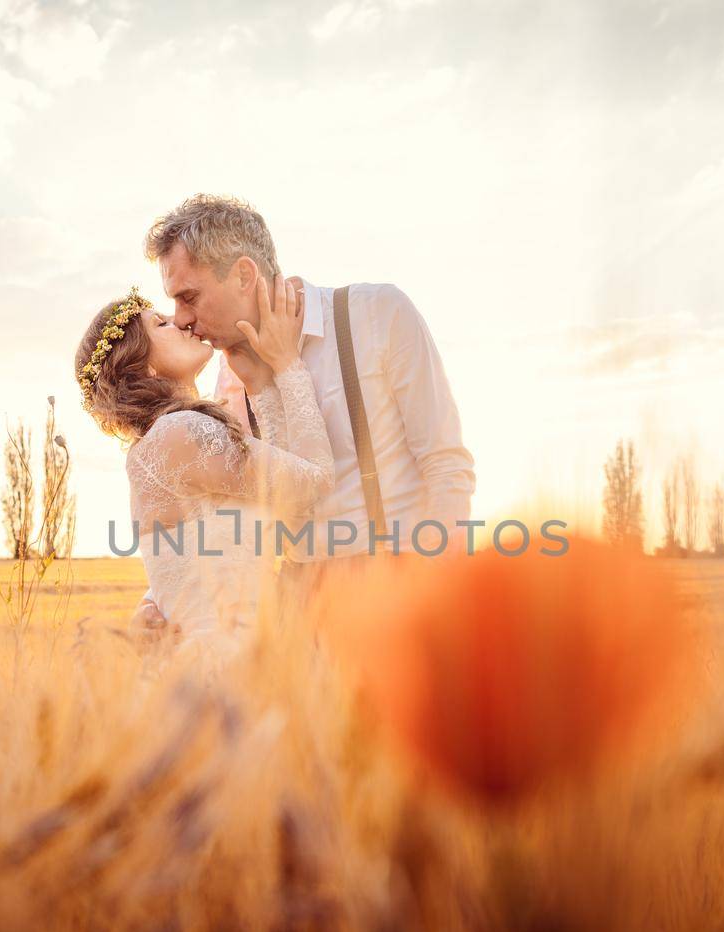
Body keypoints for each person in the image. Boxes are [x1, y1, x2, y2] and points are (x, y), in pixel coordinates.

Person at [130, 194, 476, 641]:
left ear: (243, 275)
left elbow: (446, 463)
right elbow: (217, 508)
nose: (181, 319)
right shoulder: (230, 373)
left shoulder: (377, 314)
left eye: (189, 296)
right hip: (296, 607)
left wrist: (441, 593)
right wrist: (155, 599)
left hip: (399, 584)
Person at [76, 276, 332, 648]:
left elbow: (194, 555)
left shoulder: (157, 443)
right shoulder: (182, 434)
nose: (179, 322)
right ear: (143, 367)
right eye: (160, 324)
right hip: (224, 667)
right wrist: (287, 365)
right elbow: (315, 483)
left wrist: (260, 386)